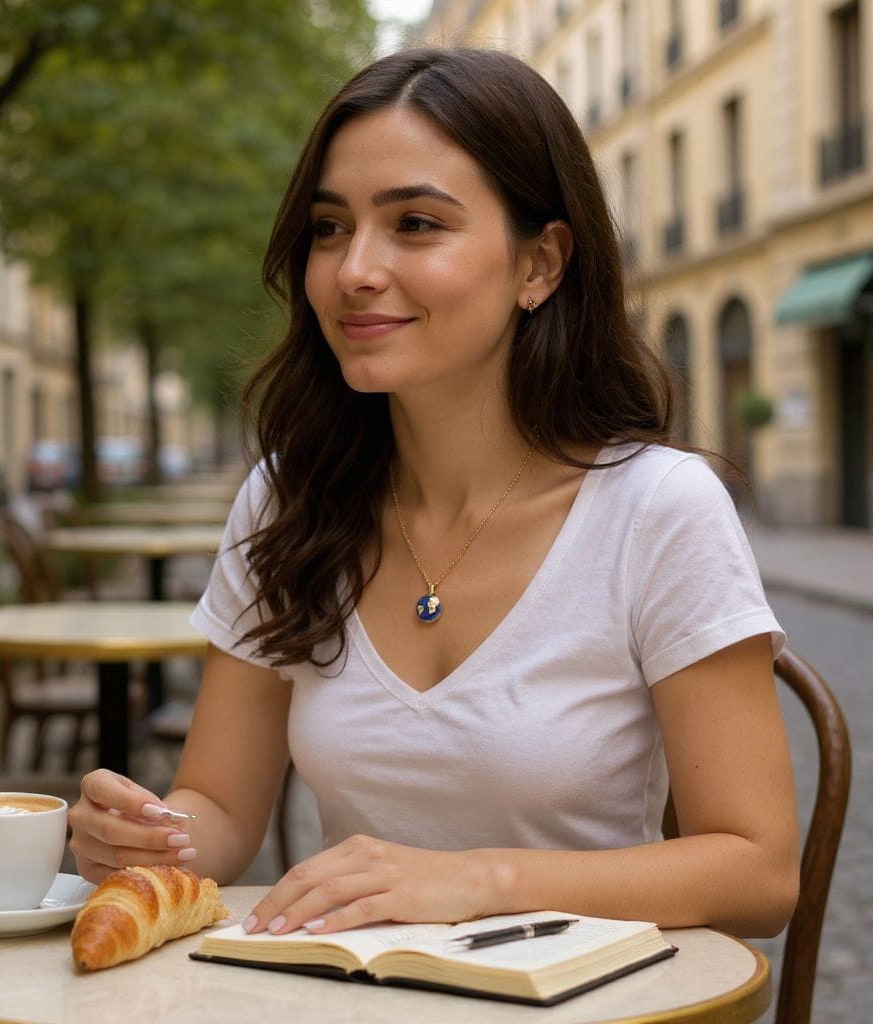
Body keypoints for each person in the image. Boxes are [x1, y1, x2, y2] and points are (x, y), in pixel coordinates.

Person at [69, 47, 799, 940]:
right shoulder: (288, 502)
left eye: (415, 223)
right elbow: (219, 806)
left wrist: (478, 881)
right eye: (330, 228)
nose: (353, 270)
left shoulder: (658, 509)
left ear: (541, 265)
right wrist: (146, 840)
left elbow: (758, 870)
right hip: (352, 999)